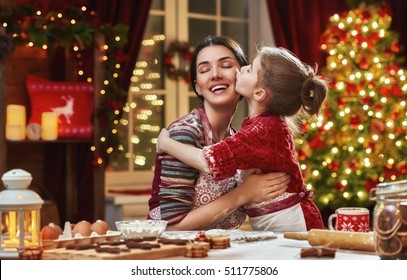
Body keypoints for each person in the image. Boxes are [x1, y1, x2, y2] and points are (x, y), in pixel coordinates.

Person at [157, 46, 328, 232]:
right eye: (205, 69)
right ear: (197, 86)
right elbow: (172, 226)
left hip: (290, 221)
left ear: (259, 93)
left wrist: (165, 144)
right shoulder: (189, 132)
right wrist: (245, 192)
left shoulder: (260, 130)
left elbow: (209, 161)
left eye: (248, 69)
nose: (241, 70)